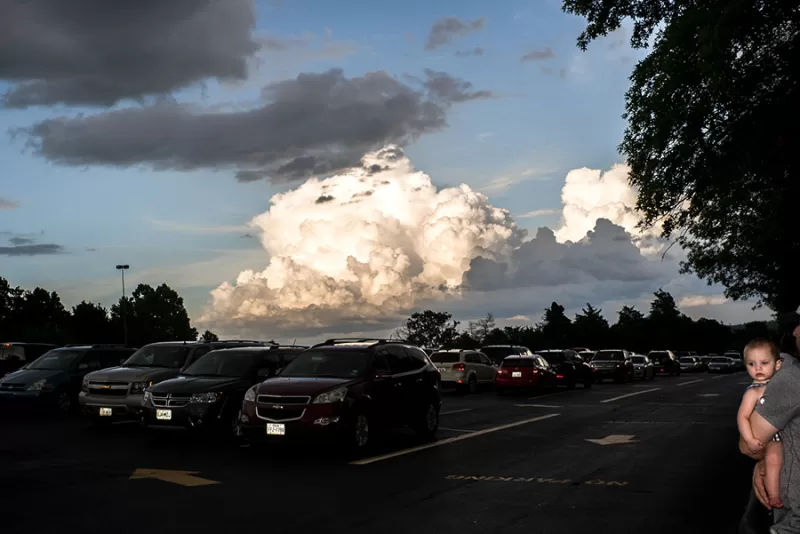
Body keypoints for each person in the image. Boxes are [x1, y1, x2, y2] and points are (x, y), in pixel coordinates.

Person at [740, 314, 800, 534]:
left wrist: (760, 454)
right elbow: (746, 427)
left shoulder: (790, 378)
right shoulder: (785, 374)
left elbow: (748, 447)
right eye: (752, 363)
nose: (795, 331)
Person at [737, 339, 783, 508]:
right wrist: (749, 439)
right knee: (773, 457)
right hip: (772, 439)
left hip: (785, 434)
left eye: (764, 363)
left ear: (777, 365)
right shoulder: (753, 392)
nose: (757, 368)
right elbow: (742, 417)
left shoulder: (782, 384)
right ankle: (774, 495)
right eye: (751, 364)